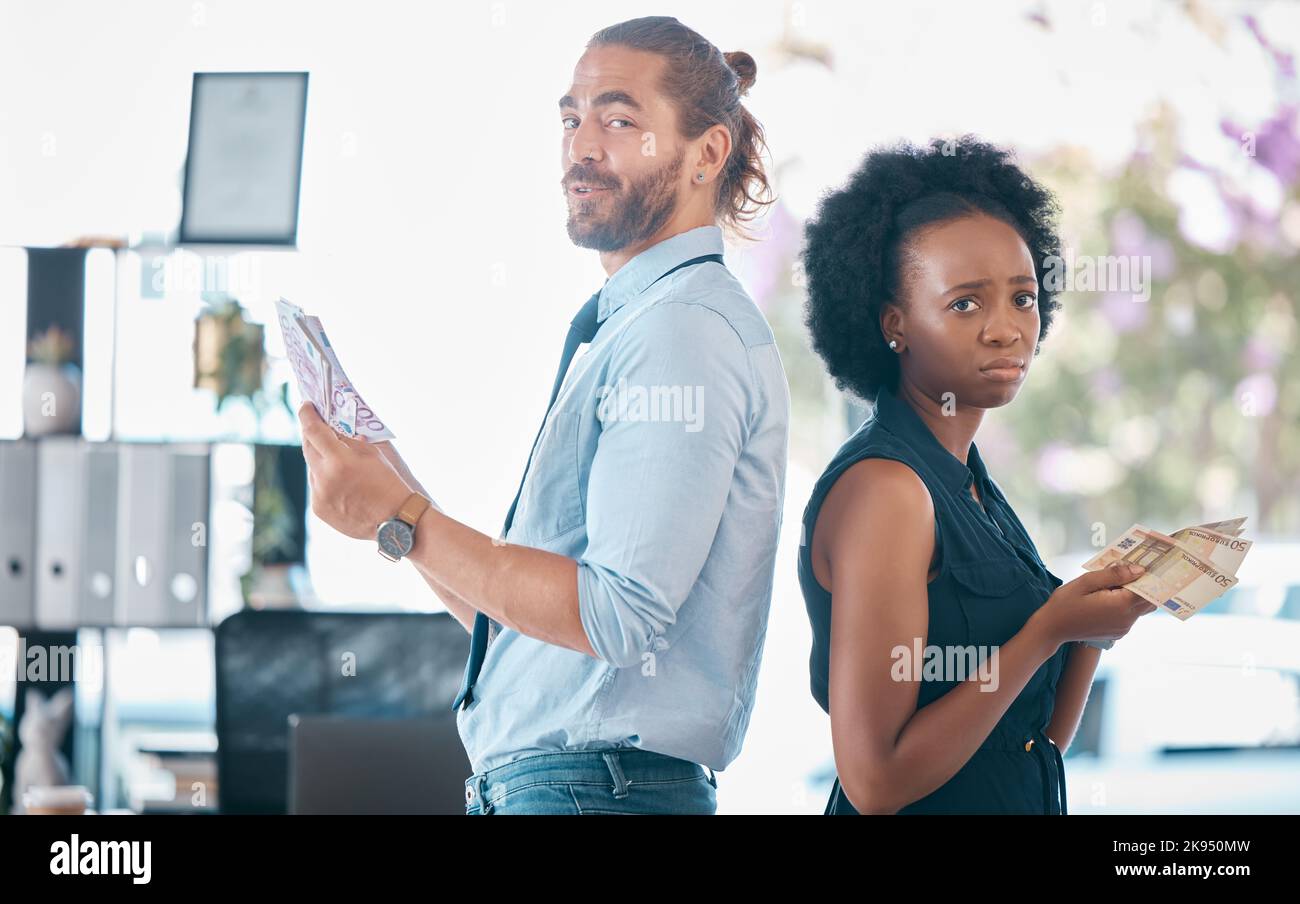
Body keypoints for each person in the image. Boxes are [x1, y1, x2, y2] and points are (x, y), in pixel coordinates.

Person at [299, 16, 789, 815]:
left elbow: (615, 615)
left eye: (620, 120)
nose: (581, 146)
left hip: (594, 794)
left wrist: (405, 516)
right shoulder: (639, 322)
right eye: (572, 119)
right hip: (575, 790)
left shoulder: (679, 332)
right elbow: (532, 631)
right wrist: (393, 495)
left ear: (707, 154)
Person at [796, 137, 1156, 815]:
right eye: (966, 304)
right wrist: (1049, 628)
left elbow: (1035, 737)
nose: (1006, 330)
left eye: (1022, 298)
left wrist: (1091, 628)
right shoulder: (889, 492)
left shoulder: (973, 488)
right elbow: (876, 783)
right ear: (893, 325)